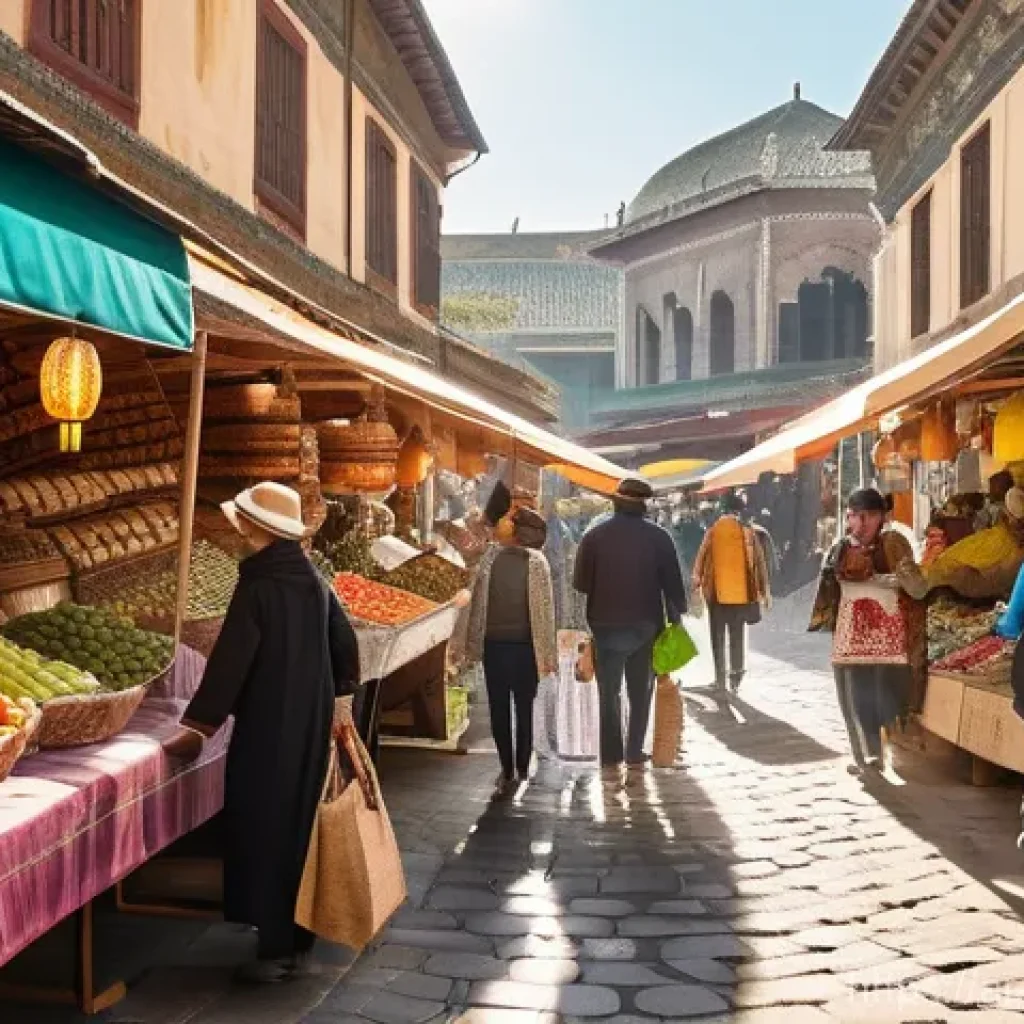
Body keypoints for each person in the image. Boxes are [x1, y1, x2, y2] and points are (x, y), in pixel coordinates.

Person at [162, 482, 360, 983]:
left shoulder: (258, 583)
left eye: (245, 524)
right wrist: (340, 696)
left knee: (264, 820)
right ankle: (299, 937)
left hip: (269, 722)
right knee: (299, 820)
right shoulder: (312, 578)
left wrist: (199, 726)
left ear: (257, 529)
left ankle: (274, 945)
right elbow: (344, 638)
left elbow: (232, 659)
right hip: (310, 717)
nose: (239, 532)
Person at [573, 477, 687, 775]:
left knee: (608, 693)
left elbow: (581, 584)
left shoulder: (593, 537)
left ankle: (611, 756)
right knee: (641, 690)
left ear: (616, 502)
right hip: (646, 626)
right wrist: (676, 621)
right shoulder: (660, 537)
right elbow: (674, 587)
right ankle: (634, 751)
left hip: (605, 627)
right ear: (644, 505)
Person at [809, 487, 923, 778]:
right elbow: (829, 591)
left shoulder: (894, 543)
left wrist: (897, 577)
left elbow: (917, 587)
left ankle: (881, 752)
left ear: (881, 517)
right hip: (850, 636)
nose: (861, 523)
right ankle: (866, 756)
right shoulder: (841, 548)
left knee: (884, 697)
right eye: (855, 515)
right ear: (848, 517)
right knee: (853, 698)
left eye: (869, 515)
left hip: (889, 639)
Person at [457, 506, 557, 795]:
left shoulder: (494, 558)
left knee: (504, 709)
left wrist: (470, 645)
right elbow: (545, 612)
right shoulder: (533, 562)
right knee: (520, 709)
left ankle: (511, 768)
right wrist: (547, 655)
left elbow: (477, 604)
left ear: (516, 531)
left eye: (509, 520)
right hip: (519, 648)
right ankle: (519, 768)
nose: (503, 522)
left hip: (501, 647)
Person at [692, 493, 771, 693]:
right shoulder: (748, 533)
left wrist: (697, 584)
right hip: (741, 595)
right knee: (737, 635)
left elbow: (700, 559)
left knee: (717, 638)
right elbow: (759, 563)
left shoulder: (712, 532)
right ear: (738, 511)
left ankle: (720, 679)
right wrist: (764, 591)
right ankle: (736, 676)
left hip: (716, 596)